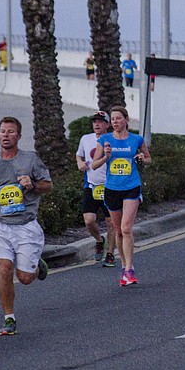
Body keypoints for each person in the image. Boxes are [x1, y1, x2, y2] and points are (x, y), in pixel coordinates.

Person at [0, 117, 53, 336]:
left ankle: (36, 265)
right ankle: (9, 319)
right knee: (4, 267)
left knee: (24, 278)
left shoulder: (31, 160)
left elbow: (48, 185)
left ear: (19, 136)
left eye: (11, 132)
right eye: (3, 131)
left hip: (25, 226)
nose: (6, 135)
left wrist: (32, 184)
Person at [91, 106, 151, 285]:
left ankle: (129, 268)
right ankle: (124, 266)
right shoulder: (105, 139)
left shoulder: (136, 139)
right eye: (113, 119)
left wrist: (141, 158)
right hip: (112, 188)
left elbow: (148, 159)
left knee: (126, 228)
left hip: (132, 186)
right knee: (118, 231)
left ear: (126, 120)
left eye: (119, 118)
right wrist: (106, 156)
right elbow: (94, 165)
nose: (115, 122)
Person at [76, 111, 117, 267]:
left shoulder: (113, 140)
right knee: (89, 220)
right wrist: (80, 163)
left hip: (110, 186)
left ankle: (110, 254)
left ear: (107, 124)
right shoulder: (86, 139)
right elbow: (79, 155)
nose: (97, 124)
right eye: (95, 121)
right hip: (92, 185)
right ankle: (100, 240)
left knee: (110, 222)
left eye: (100, 121)